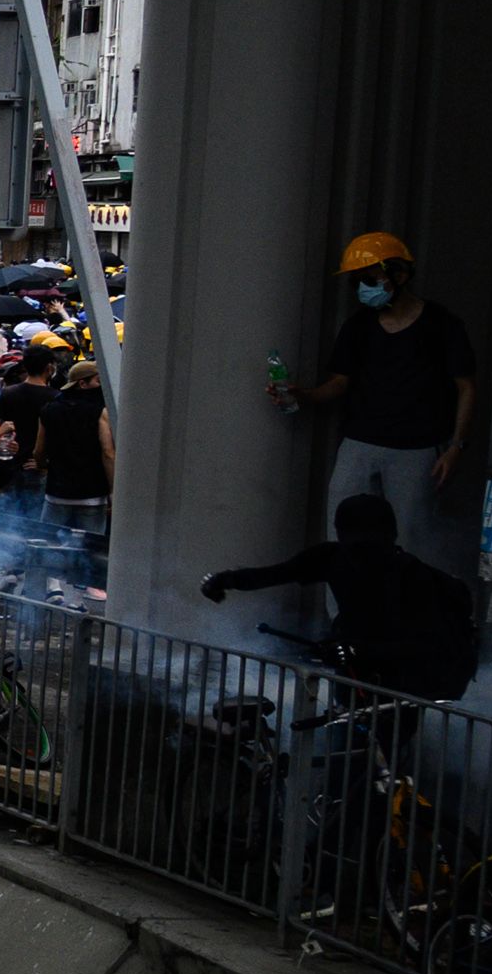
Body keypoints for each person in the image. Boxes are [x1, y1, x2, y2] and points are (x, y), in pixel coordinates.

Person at [279, 231, 477, 577]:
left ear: (399, 274)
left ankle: (415, 623)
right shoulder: (359, 326)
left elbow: (466, 387)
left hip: (417, 449)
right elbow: (339, 383)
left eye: (370, 279)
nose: (363, 288)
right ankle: (344, 619)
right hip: (360, 443)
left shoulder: (442, 325)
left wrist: (455, 447)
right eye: (358, 281)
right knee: (344, 536)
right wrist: (304, 395)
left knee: (415, 540)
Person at [204, 490, 477, 701]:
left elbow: (425, 642)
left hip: (402, 683)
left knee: (374, 756)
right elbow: (275, 574)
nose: (363, 559)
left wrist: (360, 650)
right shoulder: (333, 558)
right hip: (356, 676)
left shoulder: (411, 574)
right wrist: (224, 580)